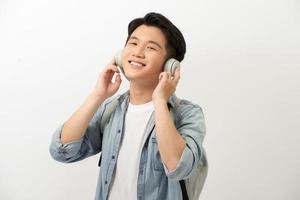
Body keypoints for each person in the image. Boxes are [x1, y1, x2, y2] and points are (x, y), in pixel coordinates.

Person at [49, 12, 207, 200]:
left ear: (169, 66)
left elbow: (178, 167)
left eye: (150, 47)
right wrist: (98, 95)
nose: (137, 52)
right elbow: (62, 151)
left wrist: (159, 100)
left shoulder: (188, 114)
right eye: (133, 43)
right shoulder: (111, 109)